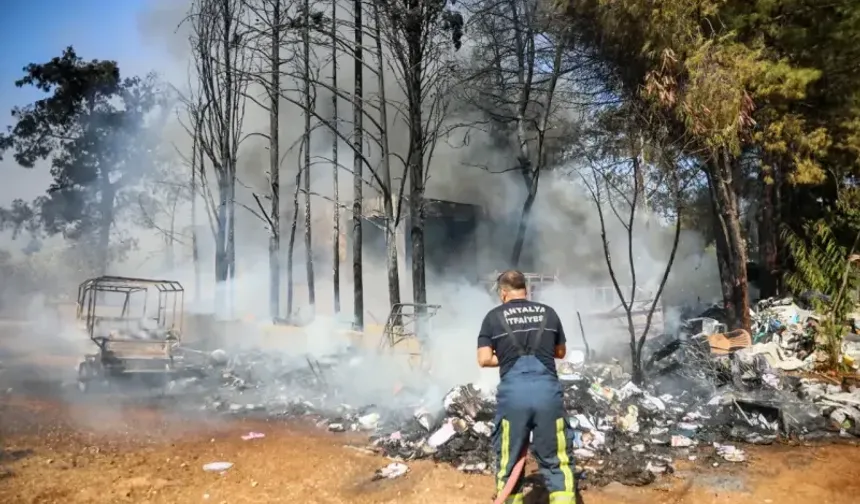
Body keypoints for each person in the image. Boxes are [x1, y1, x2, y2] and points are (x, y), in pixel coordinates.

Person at [477, 270, 576, 504]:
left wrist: (508, 356)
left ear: (503, 293)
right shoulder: (548, 313)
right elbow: (560, 352)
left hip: (514, 397)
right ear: (526, 290)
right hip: (547, 395)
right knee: (557, 461)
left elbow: (483, 359)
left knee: (509, 462)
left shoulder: (493, 317)